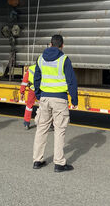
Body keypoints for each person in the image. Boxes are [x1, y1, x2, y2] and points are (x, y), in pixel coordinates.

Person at [32, 34, 78, 172]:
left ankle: (37, 160)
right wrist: (74, 100)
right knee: (59, 130)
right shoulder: (64, 59)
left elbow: (36, 78)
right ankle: (59, 163)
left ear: (50, 44)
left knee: (41, 128)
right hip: (59, 99)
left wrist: (39, 95)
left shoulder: (40, 59)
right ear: (62, 45)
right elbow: (71, 81)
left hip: (44, 99)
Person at [20, 64, 36, 129]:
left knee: (29, 106)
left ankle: (26, 123)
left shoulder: (31, 69)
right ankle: (48, 124)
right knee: (45, 107)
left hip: (32, 89)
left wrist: (22, 92)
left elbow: (24, 81)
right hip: (42, 90)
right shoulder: (45, 67)